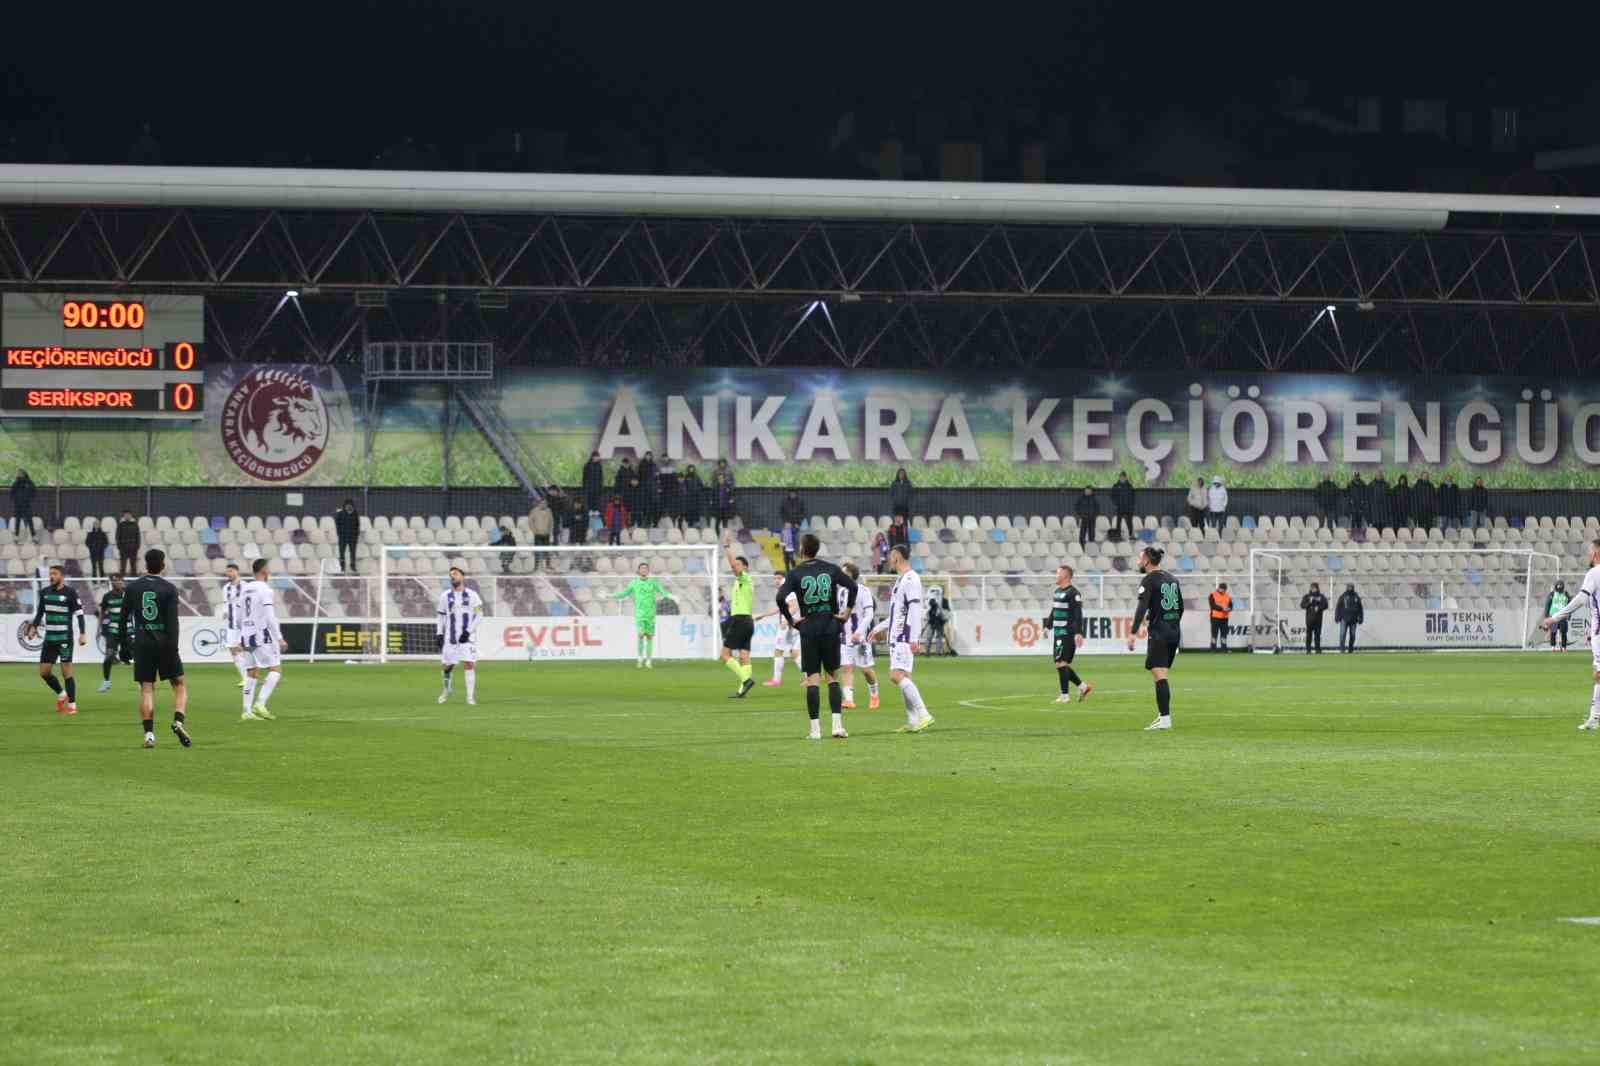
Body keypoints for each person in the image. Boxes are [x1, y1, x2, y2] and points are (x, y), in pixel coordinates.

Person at [776, 532, 858, 740]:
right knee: (832, 677)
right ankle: (837, 727)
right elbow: (853, 586)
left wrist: (793, 620)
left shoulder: (795, 573)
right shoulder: (830, 569)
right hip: (831, 625)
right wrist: (846, 613)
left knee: (813, 679)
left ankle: (815, 731)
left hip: (809, 627)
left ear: (802, 550)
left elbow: (780, 597)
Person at [124, 549, 190, 748]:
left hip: (142, 644)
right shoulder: (169, 589)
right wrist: (173, 648)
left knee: (146, 689)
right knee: (178, 684)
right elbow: (173, 623)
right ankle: (178, 722)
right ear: (163, 565)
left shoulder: (133, 588)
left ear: (146, 564)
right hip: (165, 644)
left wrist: (124, 645)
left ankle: (149, 735)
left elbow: (122, 618)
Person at [870, 544, 933, 734]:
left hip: (904, 636)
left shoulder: (911, 579)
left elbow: (915, 609)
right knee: (904, 677)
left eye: (890, 556)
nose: (889, 560)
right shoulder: (901, 580)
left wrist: (914, 638)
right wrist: (879, 627)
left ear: (897, 557)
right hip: (898, 635)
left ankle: (924, 715)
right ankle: (913, 721)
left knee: (896, 676)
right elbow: (897, 613)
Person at [1537, 538, 1600, 730]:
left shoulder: (1593, 573)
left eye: (1590, 551)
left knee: (1599, 674)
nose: (1588, 554)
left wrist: (1554, 618)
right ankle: (1595, 716)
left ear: (1596, 553)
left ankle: (1595, 717)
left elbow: (1581, 599)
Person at [1128, 545, 1183, 731]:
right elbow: (1180, 607)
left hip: (1160, 632)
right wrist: (1172, 624)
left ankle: (1165, 719)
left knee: (1159, 675)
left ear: (1147, 561)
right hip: (1174, 631)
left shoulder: (1149, 580)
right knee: (1161, 674)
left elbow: (1141, 608)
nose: (1137, 561)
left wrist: (1133, 632)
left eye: (1139, 558)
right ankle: (1163, 716)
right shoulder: (1173, 579)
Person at [27, 563, 86, 715]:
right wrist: (34, 627)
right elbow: (40, 613)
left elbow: (79, 614)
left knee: (66, 672)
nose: (51, 576)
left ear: (62, 576)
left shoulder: (70, 593)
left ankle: (72, 705)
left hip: (65, 638)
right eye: (50, 574)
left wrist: (83, 633)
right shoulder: (45, 592)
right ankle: (61, 694)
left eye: (54, 574)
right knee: (44, 673)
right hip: (49, 639)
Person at [238, 558, 285, 722]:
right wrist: (279, 638)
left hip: (245, 634)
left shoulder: (245, 589)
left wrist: (241, 633)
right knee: (275, 670)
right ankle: (260, 703)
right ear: (264, 571)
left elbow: (238, 615)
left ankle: (246, 711)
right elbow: (269, 616)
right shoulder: (265, 589)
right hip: (260, 635)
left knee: (252, 673)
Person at [436, 566, 482, 706]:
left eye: (455, 574)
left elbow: (479, 614)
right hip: (450, 637)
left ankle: (469, 697)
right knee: (446, 667)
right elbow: (441, 616)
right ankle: (446, 690)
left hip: (466, 638)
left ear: (462, 576)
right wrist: (439, 633)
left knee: (468, 663)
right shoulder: (445, 596)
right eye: (451, 575)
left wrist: (468, 631)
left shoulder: (473, 595)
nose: (452, 576)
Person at [719, 529, 757, 698]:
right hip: (747, 620)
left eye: (739, 565)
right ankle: (743, 690)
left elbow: (734, 566)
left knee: (725, 655)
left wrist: (727, 546)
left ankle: (746, 680)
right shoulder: (742, 582)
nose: (736, 567)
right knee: (744, 656)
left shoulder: (745, 578)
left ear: (745, 567)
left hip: (740, 620)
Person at [1047, 564, 1092, 704]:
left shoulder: (1074, 593)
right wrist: (1048, 626)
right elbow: (1054, 611)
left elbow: (1078, 614)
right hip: (1058, 633)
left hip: (1067, 633)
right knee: (1060, 663)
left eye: (1058, 573)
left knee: (1061, 663)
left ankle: (1065, 695)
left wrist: (1079, 632)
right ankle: (1083, 687)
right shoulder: (1057, 591)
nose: (1056, 575)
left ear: (1065, 575)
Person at [615, 562, 673, 668]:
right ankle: (640, 658)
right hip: (640, 614)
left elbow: (662, 592)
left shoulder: (653, 583)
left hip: (651, 614)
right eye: (642, 568)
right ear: (638, 571)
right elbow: (623, 594)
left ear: (648, 571)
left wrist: (671, 596)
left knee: (649, 637)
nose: (644, 570)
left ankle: (649, 660)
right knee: (641, 634)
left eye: (646, 568)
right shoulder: (634, 583)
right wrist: (609, 595)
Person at [837, 562, 878, 709]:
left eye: (843, 573)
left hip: (860, 638)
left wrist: (859, 632)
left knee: (865, 669)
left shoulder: (863, 591)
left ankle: (874, 694)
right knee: (846, 668)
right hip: (844, 637)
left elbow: (869, 614)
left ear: (851, 575)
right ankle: (849, 700)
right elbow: (841, 613)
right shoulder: (841, 592)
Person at [764, 573, 802, 687]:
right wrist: (763, 615)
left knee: (778, 651)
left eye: (779, 578)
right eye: (774, 578)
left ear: (784, 579)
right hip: (793, 624)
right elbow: (781, 608)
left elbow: (794, 606)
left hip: (787, 625)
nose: (776, 580)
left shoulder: (788, 591)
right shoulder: (785, 591)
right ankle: (809, 677)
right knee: (794, 652)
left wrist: (786, 620)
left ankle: (776, 680)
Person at [96, 573, 131, 693]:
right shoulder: (107, 596)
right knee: (109, 656)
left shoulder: (129, 594)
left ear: (123, 581)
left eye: (120, 580)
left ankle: (143, 682)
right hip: (113, 630)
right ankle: (106, 682)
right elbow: (102, 612)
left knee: (137, 657)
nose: (118, 583)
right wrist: (99, 628)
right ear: (111, 582)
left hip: (128, 630)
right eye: (115, 581)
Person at [222, 562, 251, 688]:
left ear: (236, 571)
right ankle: (245, 678)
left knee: (243, 649)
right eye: (227, 571)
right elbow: (225, 602)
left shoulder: (245, 586)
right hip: (231, 624)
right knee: (233, 650)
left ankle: (251, 676)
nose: (228, 574)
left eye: (231, 571)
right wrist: (224, 612)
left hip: (244, 623)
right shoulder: (226, 587)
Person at [1300, 582, 1329, 654]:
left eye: (1314, 588)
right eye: (1312, 588)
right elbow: (1302, 605)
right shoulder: (1307, 596)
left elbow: (1325, 605)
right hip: (1309, 620)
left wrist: (1319, 608)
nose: (1313, 589)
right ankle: (1308, 650)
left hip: (1318, 619)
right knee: (1309, 635)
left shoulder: (1321, 596)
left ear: (1317, 588)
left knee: (1317, 635)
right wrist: (1309, 602)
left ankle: (1317, 649)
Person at [1335, 584, 1364, 653]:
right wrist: (1337, 617)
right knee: (1342, 634)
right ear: (1347, 588)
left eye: (1351, 587)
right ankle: (1342, 649)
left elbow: (1360, 609)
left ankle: (1350, 649)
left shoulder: (1356, 597)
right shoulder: (1343, 596)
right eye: (1349, 587)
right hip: (1344, 619)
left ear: (1353, 588)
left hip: (1354, 619)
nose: (1350, 588)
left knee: (1353, 635)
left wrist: (1361, 618)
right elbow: (1338, 607)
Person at [9, 468, 36, 539]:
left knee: (30, 520)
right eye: (18, 473)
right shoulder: (16, 483)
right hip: (18, 505)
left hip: (26, 505)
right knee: (17, 521)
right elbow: (11, 492)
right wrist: (15, 500)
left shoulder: (29, 482)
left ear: (24, 474)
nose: (18, 474)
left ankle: (34, 536)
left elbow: (34, 491)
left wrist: (29, 499)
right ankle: (16, 536)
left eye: (20, 473)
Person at [334, 499, 360, 573]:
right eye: (347, 505)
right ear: (345, 506)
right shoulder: (340, 514)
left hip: (352, 538)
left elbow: (357, 525)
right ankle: (342, 566)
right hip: (343, 537)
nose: (348, 507)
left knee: (353, 552)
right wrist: (339, 534)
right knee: (341, 552)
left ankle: (353, 566)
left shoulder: (355, 514)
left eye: (350, 505)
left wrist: (356, 535)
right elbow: (337, 525)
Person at [1546, 580, 1572, 652]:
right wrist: (1547, 615)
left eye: (1561, 586)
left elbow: (1570, 605)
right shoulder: (1552, 594)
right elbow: (1547, 604)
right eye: (1558, 586)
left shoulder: (1566, 594)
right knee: (1553, 632)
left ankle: (1564, 647)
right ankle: (1553, 647)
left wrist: (1569, 614)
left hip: (1563, 616)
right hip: (1553, 616)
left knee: (1563, 632)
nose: (1559, 588)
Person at [529, 494, 554, 568]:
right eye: (543, 503)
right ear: (539, 503)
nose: (544, 504)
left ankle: (548, 565)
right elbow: (530, 522)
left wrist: (550, 530)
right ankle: (536, 566)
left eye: (546, 503)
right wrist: (534, 530)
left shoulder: (549, 510)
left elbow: (551, 522)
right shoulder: (534, 511)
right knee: (537, 551)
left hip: (546, 534)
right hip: (538, 534)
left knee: (547, 550)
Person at [1110, 472, 1136, 541]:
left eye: (1124, 477)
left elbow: (1133, 496)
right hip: (1120, 508)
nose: (1123, 478)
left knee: (1129, 522)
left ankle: (1131, 535)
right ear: (1119, 477)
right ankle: (1118, 536)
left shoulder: (1129, 486)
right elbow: (1112, 496)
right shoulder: (1116, 486)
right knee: (1118, 522)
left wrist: (1131, 505)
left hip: (1128, 508)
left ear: (1126, 477)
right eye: (1121, 477)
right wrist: (1116, 504)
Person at [637, 451, 659, 528]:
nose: (648, 457)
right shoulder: (641, 464)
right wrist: (640, 487)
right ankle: (645, 523)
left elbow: (657, 477)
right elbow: (639, 476)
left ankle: (651, 522)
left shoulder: (654, 465)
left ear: (651, 456)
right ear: (645, 456)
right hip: (644, 489)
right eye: (647, 455)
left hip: (652, 490)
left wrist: (656, 487)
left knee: (652, 506)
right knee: (644, 506)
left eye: (649, 456)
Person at [115, 510, 141, 576]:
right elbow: (118, 536)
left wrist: (137, 546)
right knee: (123, 565)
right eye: (125, 515)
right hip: (123, 548)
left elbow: (138, 536)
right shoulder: (120, 525)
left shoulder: (135, 524)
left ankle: (134, 580)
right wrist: (119, 546)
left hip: (133, 547)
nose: (127, 516)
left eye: (128, 515)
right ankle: (122, 580)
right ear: (124, 516)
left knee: (133, 565)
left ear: (131, 516)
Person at [713, 459, 736, 533]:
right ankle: (717, 536)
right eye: (721, 463)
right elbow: (713, 482)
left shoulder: (729, 472)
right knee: (717, 522)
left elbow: (732, 483)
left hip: (725, 505)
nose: (722, 464)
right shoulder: (716, 472)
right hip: (718, 506)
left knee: (725, 523)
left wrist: (731, 494)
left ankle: (724, 538)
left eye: (723, 463)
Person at [1208, 582, 1232, 650]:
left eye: (1224, 589)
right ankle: (1213, 648)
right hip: (1215, 617)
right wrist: (1222, 608)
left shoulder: (1228, 596)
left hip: (1224, 618)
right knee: (1214, 634)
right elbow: (1212, 605)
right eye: (1222, 589)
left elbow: (1231, 605)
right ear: (1219, 588)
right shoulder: (1212, 595)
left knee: (1224, 634)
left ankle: (1224, 648)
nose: (1223, 591)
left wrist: (1229, 609)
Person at [680, 464, 704, 529]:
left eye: (692, 468)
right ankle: (689, 528)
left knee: (695, 514)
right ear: (688, 469)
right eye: (690, 468)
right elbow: (683, 486)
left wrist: (697, 491)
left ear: (694, 469)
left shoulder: (697, 477)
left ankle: (695, 528)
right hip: (688, 499)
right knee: (689, 514)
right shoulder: (686, 477)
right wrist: (686, 493)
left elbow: (701, 486)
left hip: (695, 499)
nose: (691, 469)